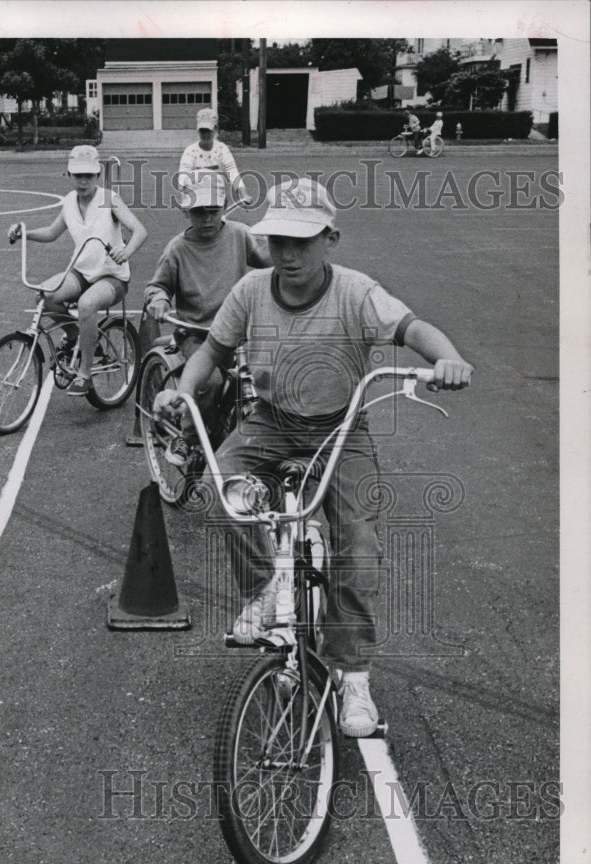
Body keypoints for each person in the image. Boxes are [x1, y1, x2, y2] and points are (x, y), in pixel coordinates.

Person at [154, 177, 473, 738]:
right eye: (279, 241)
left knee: (358, 544)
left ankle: (354, 674)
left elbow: (412, 328)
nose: (289, 254)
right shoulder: (252, 291)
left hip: (341, 429)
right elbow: (212, 351)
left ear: (331, 239)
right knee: (224, 487)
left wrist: (447, 359)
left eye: (302, 241)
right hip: (271, 422)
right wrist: (182, 389)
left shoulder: (356, 291)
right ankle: (264, 591)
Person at [143, 172, 271, 465]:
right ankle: (187, 438)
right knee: (210, 382)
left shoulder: (239, 234)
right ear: (186, 212)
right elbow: (157, 286)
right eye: (199, 212)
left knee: (267, 375)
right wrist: (160, 299)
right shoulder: (177, 248)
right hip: (197, 333)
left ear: (224, 206)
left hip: (239, 331)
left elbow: (271, 259)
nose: (207, 218)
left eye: (213, 210)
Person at [8, 145, 147, 395]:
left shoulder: (109, 199)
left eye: (89, 175)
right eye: (78, 175)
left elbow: (140, 231)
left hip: (112, 276)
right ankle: (75, 336)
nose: (83, 181)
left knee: (87, 304)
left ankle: (85, 374)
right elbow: (52, 232)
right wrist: (24, 233)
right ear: (68, 175)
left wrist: (126, 252)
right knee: (44, 296)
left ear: (98, 175)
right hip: (81, 272)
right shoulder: (70, 202)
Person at [178, 107, 249, 205]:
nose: (205, 134)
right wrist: (183, 196)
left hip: (218, 197)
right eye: (202, 131)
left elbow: (232, 171)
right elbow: (183, 174)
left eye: (208, 130)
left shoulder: (222, 149)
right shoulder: (190, 151)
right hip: (196, 199)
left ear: (216, 129)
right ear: (198, 131)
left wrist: (244, 194)